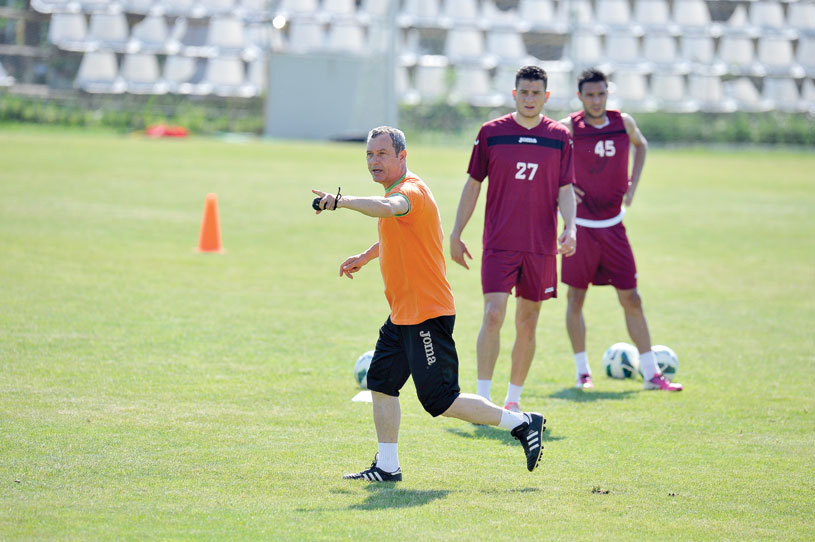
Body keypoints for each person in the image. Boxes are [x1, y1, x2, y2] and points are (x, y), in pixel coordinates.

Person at [312, 126, 546, 482]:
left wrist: (341, 201)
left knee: (442, 401)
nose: (374, 161)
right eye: (370, 155)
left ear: (402, 157)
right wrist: (367, 255)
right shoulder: (396, 191)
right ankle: (387, 466)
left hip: (427, 315)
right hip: (403, 314)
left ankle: (523, 423)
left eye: (382, 154)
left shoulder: (409, 191)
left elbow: (391, 209)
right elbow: (400, 230)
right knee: (381, 383)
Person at [449, 65, 577, 412]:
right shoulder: (491, 133)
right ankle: (484, 399)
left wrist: (571, 225)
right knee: (493, 314)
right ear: (514, 94)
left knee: (528, 319)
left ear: (546, 96)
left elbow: (566, 189)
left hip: (540, 247)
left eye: (536, 93)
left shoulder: (559, 137)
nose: (530, 98)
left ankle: (513, 399)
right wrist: (457, 232)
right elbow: (473, 184)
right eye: (524, 92)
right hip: (499, 244)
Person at [558, 68, 682, 392]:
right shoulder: (569, 127)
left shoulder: (622, 122)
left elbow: (641, 146)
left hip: (614, 226)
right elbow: (550, 161)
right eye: (590, 95)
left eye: (601, 94)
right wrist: (565, 187)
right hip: (580, 228)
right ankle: (582, 372)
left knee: (632, 298)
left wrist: (633, 184)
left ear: (607, 93)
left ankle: (652, 375)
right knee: (576, 298)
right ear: (580, 96)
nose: (596, 100)